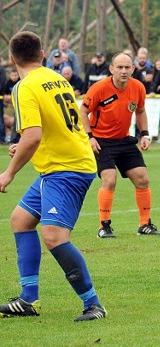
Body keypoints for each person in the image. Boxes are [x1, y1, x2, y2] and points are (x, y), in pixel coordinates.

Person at [0, 31, 106, 321]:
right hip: (62, 163)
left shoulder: (23, 87)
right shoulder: (56, 77)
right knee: (21, 220)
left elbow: (33, 136)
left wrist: (8, 173)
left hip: (66, 168)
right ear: (43, 54)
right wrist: (22, 147)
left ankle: (93, 304)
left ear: (12, 59)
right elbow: (49, 130)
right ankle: (28, 299)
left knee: (54, 236)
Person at [79, 53, 160, 238]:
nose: (123, 71)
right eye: (120, 67)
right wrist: (89, 137)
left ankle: (145, 224)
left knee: (142, 179)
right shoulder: (99, 88)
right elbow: (83, 111)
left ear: (133, 68)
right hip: (101, 141)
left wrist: (145, 134)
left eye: (127, 67)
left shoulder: (138, 87)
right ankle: (103, 227)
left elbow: (140, 111)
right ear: (112, 69)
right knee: (109, 179)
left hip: (124, 139)